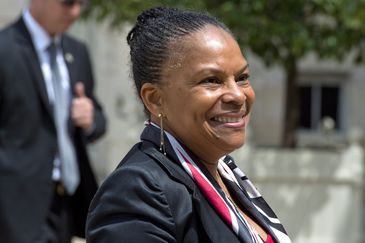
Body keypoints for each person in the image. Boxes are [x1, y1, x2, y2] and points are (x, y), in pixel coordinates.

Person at [86, 6, 290, 243]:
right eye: (211, 81)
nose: (237, 95)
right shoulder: (138, 191)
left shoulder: (227, 176)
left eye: (242, 78)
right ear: (155, 99)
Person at [0, 0, 107, 242]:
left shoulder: (77, 52)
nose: (76, 12)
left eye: (82, 3)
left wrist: (90, 118)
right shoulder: (4, 50)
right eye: (68, 3)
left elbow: (99, 120)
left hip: (67, 202)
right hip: (15, 205)